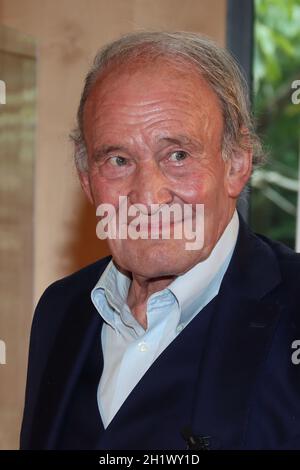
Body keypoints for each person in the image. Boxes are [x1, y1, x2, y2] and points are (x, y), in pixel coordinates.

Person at [20, 31, 300, 450]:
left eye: (178, 156)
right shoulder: (60, 311)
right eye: (118, 160)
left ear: (237, 163)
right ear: (86, 180)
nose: (148, 197)